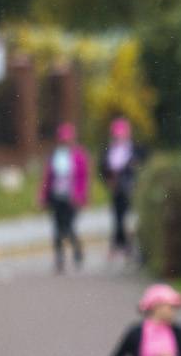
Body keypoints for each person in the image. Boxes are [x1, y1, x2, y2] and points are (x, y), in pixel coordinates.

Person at [40, 122, 90, 274]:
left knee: (68, 228)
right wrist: (43, 196)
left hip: (71, 198)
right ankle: (59, 259)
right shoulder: (55, 155)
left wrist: (80, 196)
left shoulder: (79, 156)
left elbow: (83, 178)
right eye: (63, 139)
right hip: (56, 196)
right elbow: (48, 177)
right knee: (56, 229)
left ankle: (77, 251)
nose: (65, 142)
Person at [102, 117, 143, 261]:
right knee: (118, 219)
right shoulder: (110, 150)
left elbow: (139, 168)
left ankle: (126, 247)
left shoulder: (134, 149)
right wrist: (108, 180)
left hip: (130, 189)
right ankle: (121, 246)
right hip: (116, 190)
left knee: (129, 220)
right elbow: (103, 169)